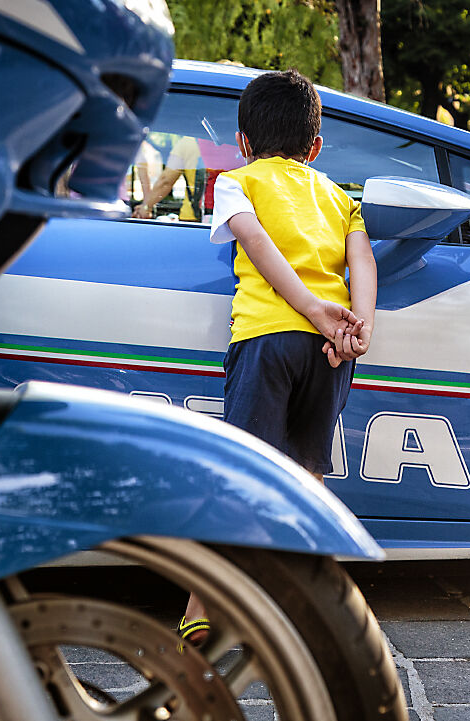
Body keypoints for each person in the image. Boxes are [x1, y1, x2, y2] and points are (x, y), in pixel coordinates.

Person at [177, 69, 377, 643]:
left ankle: (201, 608)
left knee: (241, 475)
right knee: (308, 480)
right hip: (329, 351)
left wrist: (310, 308)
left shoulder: (237, 182)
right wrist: (357, 328)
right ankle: (304, 607)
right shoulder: (340, 198)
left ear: (243, 142)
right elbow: (363, 262)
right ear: (316, 147)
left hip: (267, 338)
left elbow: (256, 242)